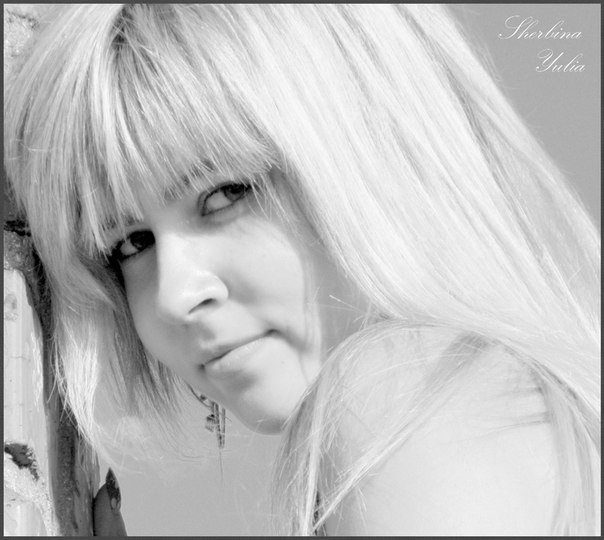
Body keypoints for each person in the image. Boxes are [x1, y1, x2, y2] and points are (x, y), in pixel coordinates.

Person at [4, 4, 600, 536]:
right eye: (131, 243)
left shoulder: (408, 388)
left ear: (373, 145)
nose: (173, 295)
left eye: (225, 194)